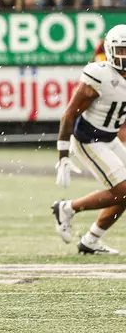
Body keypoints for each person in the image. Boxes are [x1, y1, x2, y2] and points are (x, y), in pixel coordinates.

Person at [52, 25, 126, 255]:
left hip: (109, 138)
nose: (125, 55)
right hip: (88, 139)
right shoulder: (100, 74)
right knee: (123, 190)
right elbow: (69, 114)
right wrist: (63, 156)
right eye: (121, 50)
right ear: (111, 51)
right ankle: (67, 208)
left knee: (125, 190)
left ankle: (91, 240)